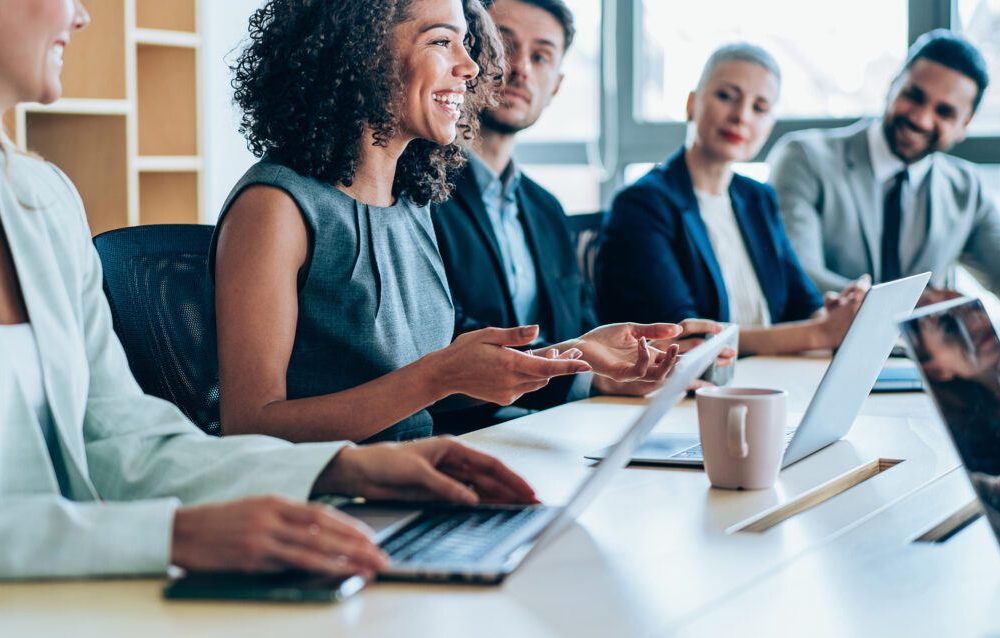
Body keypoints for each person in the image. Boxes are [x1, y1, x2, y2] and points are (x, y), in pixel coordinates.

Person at [0, 0, 538, 602]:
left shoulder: (37, 197)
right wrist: (177, 534)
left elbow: (125, 441)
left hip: (56, 600)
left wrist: (351, 464)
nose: (82, 16)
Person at [213, 0, 681, 444]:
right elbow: (250, 427)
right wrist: (437, 376)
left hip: (418, 478)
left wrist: (571, 354)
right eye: (441, 42)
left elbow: (433, 392)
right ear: (362, 48)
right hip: (327, 507)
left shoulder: (411, 202)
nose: (472, 66)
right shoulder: (274, 206)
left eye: (465, 42)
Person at [429, 0, 732, 432]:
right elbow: (442, 339)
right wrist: (586, 374)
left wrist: (648, 353)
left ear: (555, 86)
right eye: (504, 46)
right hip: (470, 431)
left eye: (541, 57)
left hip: (557, 425)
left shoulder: (546, 208)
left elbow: (582, 329)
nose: (521, 69)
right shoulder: (421, 190)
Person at [768, 29, 1000, 331]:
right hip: (816, 360)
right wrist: (909, 303)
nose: (922, 118)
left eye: (945, 112)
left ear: (965, 124)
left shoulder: (965, 188)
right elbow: (798, 274)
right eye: (914, 96)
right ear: (892, 85)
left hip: (926, 370)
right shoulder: (804, 158)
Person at [596, 44, 865, 355]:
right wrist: (820, 334)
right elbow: (686, 337)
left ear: (769, 127)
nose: (741, 116)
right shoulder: (643, 203)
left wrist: (838, 316)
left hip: (771, 375)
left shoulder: (758, 198)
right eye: (726, 96)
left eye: (759, 108)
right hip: (692, 387)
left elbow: (803, 303)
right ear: (692, 104)